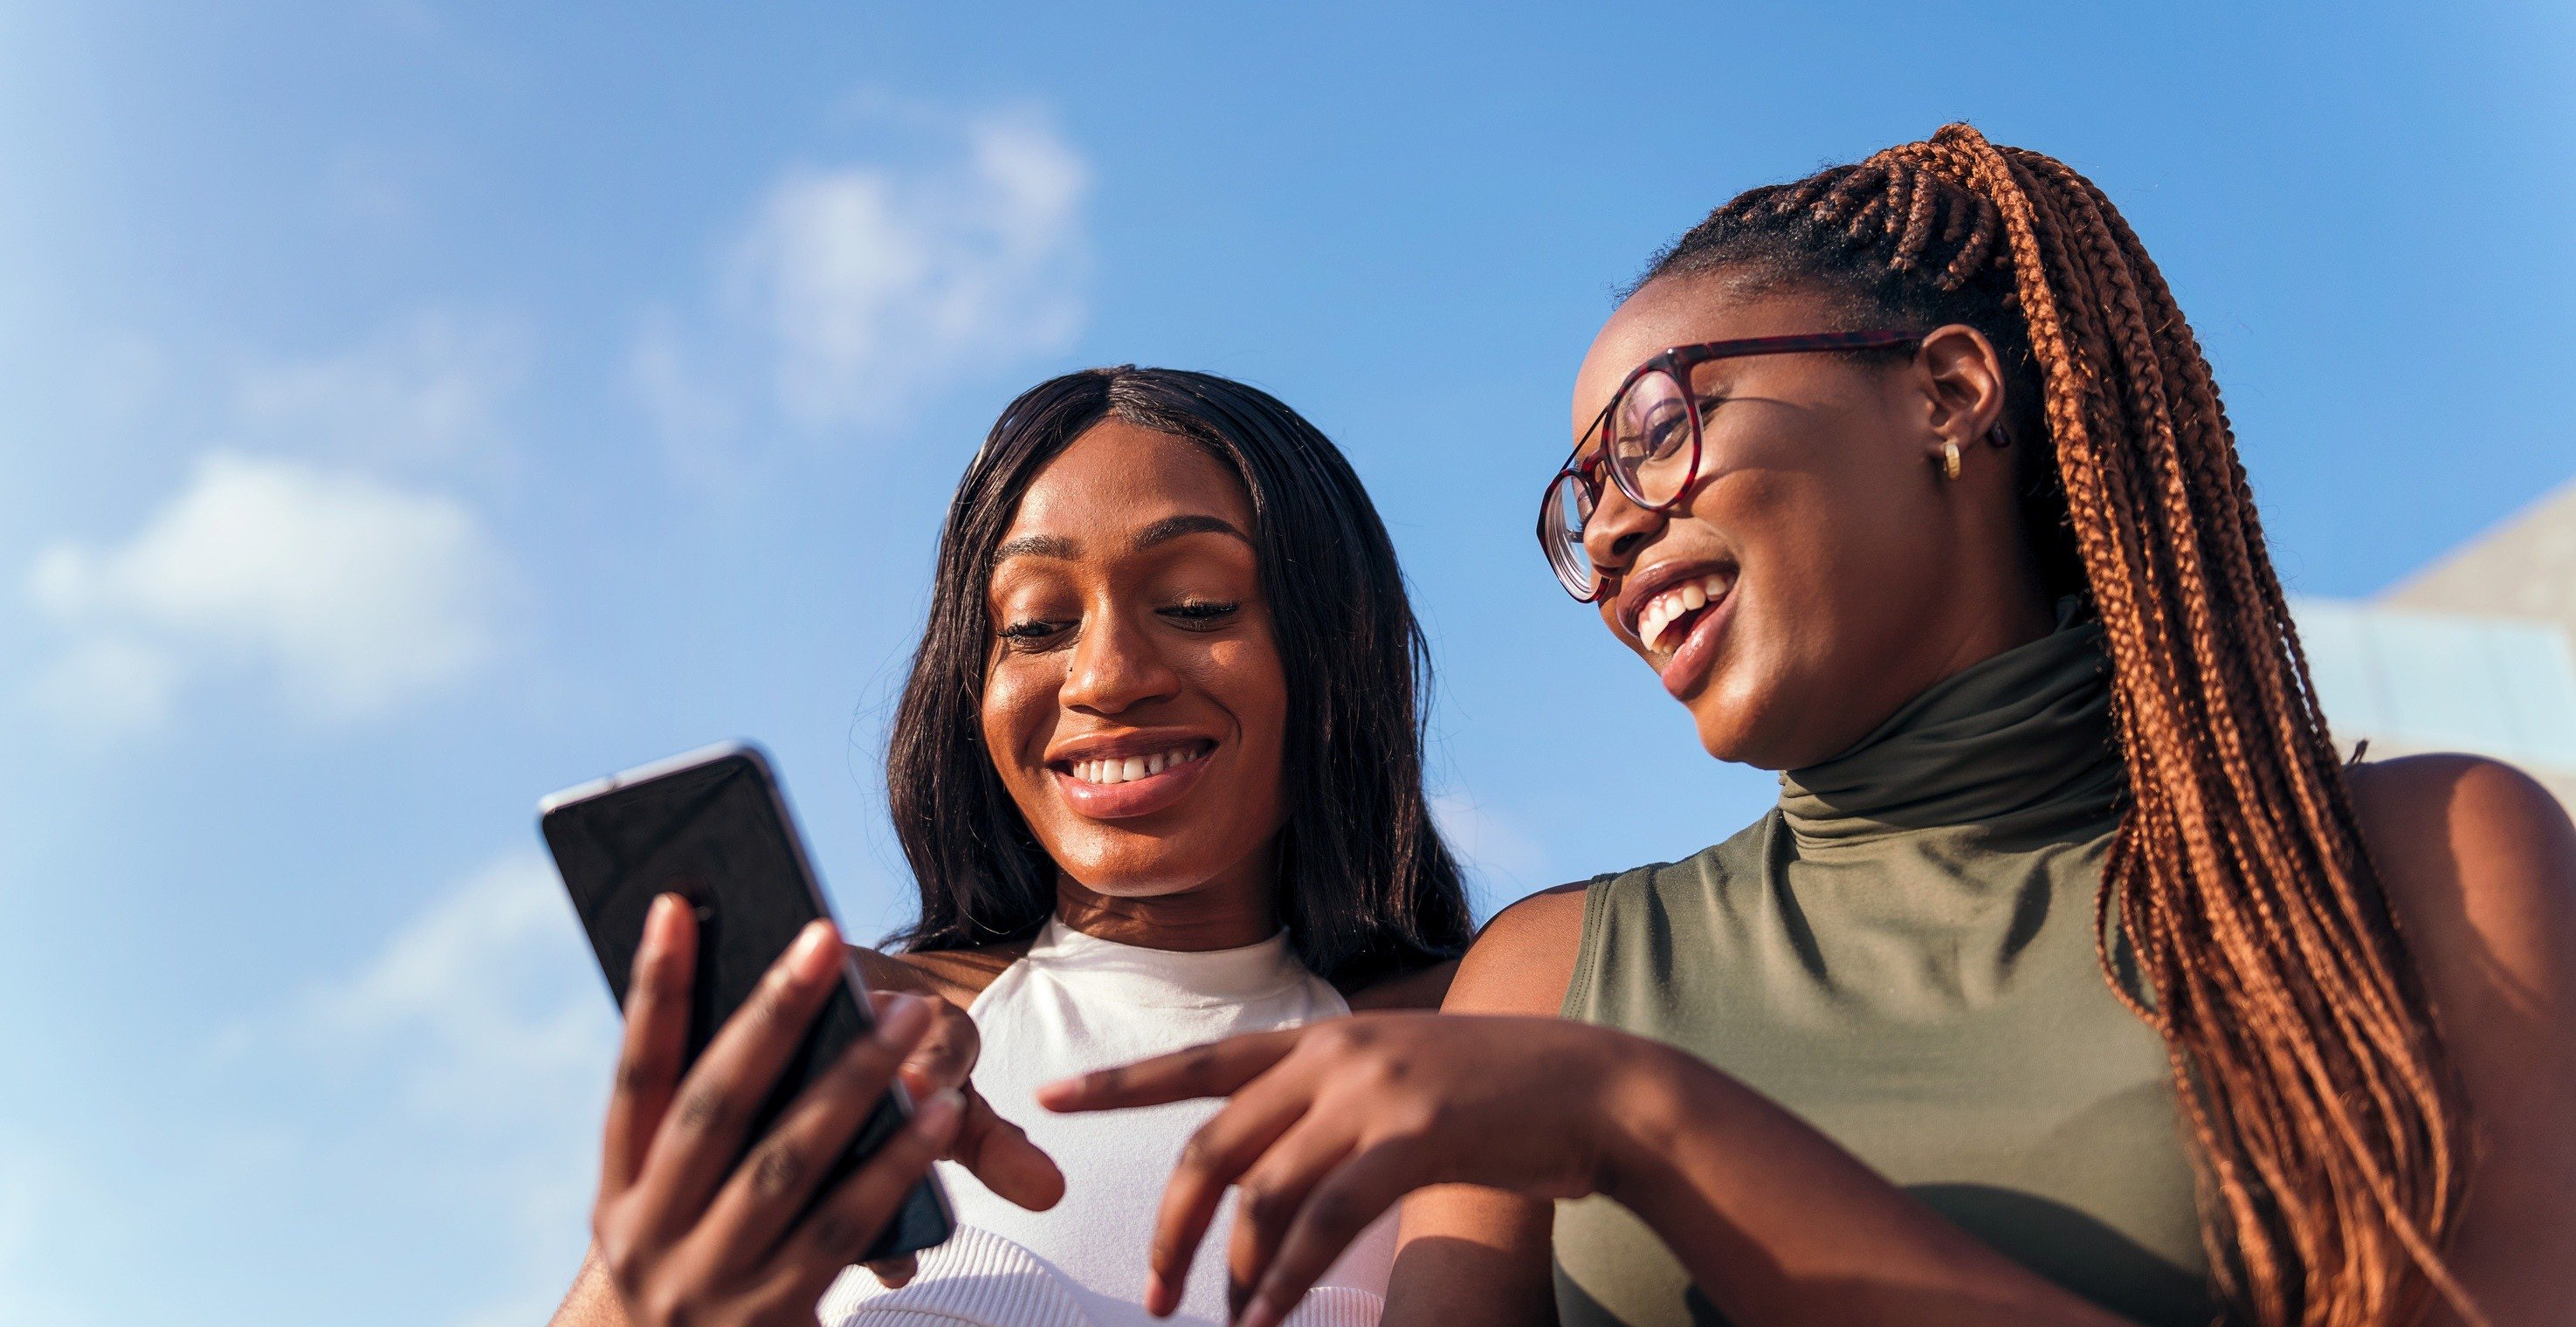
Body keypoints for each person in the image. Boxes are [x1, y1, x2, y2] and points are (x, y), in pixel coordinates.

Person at [1043, 126, 2576, 1327]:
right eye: (1583, 508)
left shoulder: (2426, 863)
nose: (1618, 539)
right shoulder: (1550, 974)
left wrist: (1652, 1130)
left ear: (1949, 394)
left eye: (1657, 435)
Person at [547, 368, 1474, 1327]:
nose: (1106, 676)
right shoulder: (866, 1045)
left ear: (1337, 647)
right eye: (1035, 623)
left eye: (1197, 604)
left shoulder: (1487, 1032)